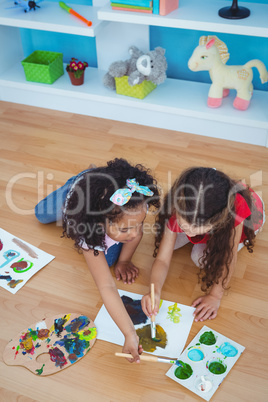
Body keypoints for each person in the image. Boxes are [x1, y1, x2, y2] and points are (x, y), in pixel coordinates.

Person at [35, 158, 160, 362]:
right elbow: (107, 287)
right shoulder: (88, 232)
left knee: (112, 259)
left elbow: (135, 233)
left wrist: (124, 261)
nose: (137, 232)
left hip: (103, 201)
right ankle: (82, 177)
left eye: (141, 223)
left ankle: (94, 178)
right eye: (126, 228)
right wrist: (129, 333)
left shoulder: (129, 218)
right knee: (41, 215)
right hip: (74, 195)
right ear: (99, 222)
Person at [141, 167, 264, 323]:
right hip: (204, 210)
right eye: (185, 227)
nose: (190, 234)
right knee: (171, 238)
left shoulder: (233, 212)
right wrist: (155, 290)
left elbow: (228, 256)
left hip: (250, 215)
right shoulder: (177, 206)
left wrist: (215, 296)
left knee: (198, 256)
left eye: (197, 230)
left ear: (217, 221)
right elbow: (162, 260)